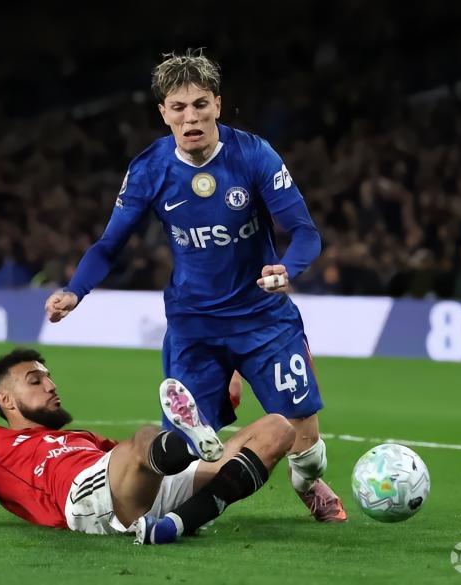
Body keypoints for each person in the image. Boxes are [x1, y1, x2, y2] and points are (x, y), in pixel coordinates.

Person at [44, 50, 346, 521]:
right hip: (194, 324)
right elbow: (109, 245)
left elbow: (305, 232)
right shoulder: (149, 169)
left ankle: (306, 481)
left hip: (263, 318)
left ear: (217, 105)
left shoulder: (254, 155)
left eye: (201, 105)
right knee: (180, 450)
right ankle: (179, 467)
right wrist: (74, 291)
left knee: (306, 446)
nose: (191, 118)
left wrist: (287, 268)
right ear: (163, 113)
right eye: (179, 108)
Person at [0, 348, 296, 545]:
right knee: (143, 441)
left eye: (49, 377)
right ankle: (187, 442)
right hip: (83, 498)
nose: (51, 385)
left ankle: (176, 522)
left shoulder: (78, 437)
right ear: (6, 401)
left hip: (130, 483)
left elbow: (126, 463)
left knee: (277, 429)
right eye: (35, 380)